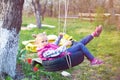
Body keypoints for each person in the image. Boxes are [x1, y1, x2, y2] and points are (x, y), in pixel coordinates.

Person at [35, 25, 103, 66]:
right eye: (42, 41)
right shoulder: (44, 52)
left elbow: (54, 44)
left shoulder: (47, 46)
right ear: (37, 44)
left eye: (46, 40)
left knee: (79, 43)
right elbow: (56, 52)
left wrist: (59, 37)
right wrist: (65, 45)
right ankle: (93, 60)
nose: (45, 42)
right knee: (79, 45)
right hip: (63, 56)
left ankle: (93, 34)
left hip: (63, 52)